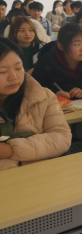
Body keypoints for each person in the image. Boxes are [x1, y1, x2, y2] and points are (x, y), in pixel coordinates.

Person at [0, 38, 72, 171]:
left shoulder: (43, 96)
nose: (13, 76)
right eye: (2, 72)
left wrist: (9, 150)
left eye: (18, 68)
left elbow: (62, 138)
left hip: (42, 175)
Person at [32, 23, 82, 99]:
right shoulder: (46, 61)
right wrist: (52, 95)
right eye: (77, 44)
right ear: (61, 46)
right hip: (58, 105)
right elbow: (34, 91)